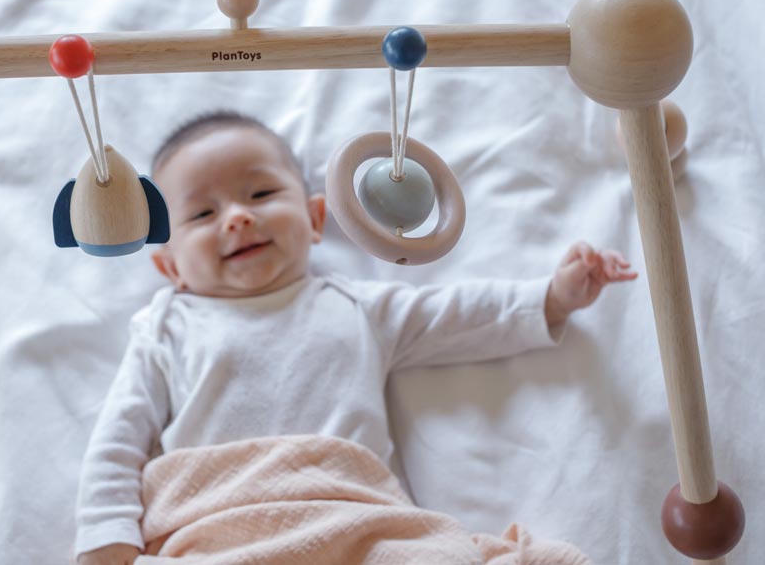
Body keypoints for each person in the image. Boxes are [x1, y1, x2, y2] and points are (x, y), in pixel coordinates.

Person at [75, 110, 637, 565]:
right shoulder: (165, 328)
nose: (238, 218)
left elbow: (455, 314)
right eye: (202, 212)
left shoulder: (355, 306)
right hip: (218, 525)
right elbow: (119, 436)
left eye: (262, 194)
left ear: (316, 218)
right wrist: (106, 537)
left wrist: (554, 296)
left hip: (357, 518)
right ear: (169, 266)